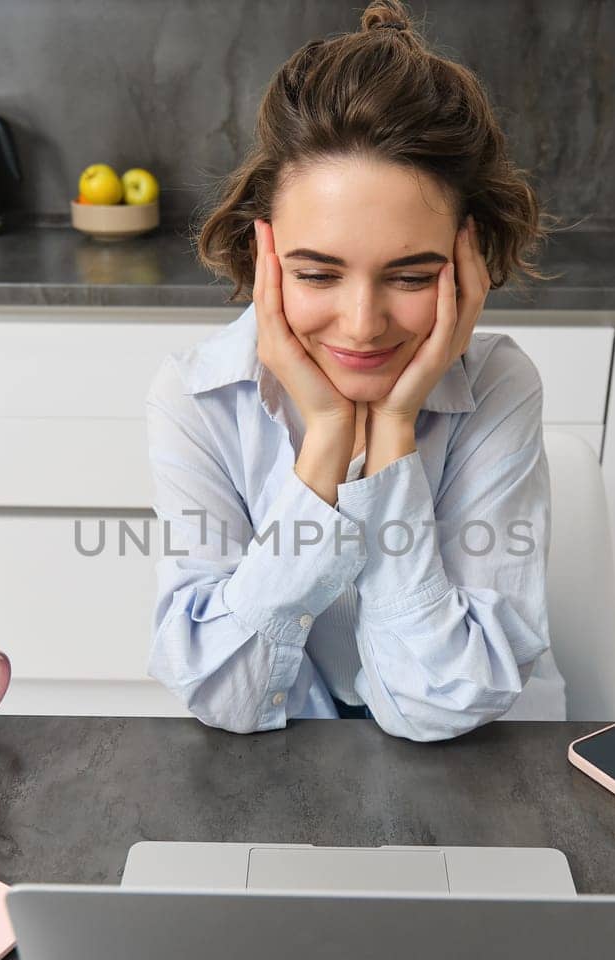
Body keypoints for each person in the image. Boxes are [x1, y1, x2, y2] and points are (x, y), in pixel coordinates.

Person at [145, 0, 563, 742]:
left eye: (410, 276)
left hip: (468, 765)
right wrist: (328, 440)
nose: (363, 324)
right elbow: (225, 694)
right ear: (263, 254)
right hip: (282, 759)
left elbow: (438, 705)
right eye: (317, 273)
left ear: (466, 263)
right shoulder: (196, 398)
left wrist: (394, 432)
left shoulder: (499, 386)